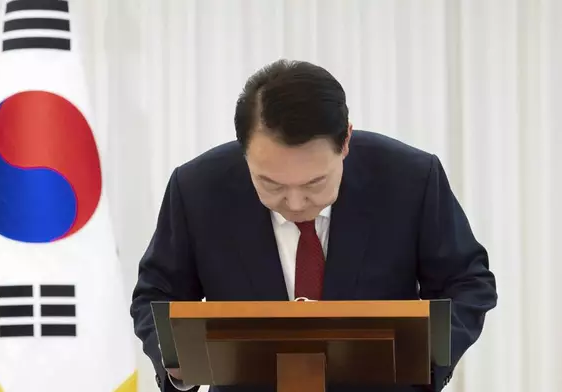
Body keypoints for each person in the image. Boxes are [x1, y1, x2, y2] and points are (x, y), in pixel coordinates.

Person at [131, 59, 498, 392]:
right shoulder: (197, 188)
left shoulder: (410, 178)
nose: (294, 203)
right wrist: (176, 359)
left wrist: (425, 360)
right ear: (244, 150)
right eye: (271, 184)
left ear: (346, 143)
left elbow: (467, 281)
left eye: (314, 184)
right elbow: (156, 292)